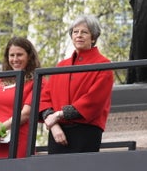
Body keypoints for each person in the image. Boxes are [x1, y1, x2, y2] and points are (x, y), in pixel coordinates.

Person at [39, 15, 114, 154]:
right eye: (75, 32)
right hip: (57, 132)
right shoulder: (61, 66)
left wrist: (58, 115)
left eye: (84, 32)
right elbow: (44, 99)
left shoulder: (103, 65)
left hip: (85, 132)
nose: (79, 35)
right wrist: (54, 125)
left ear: (93, 37)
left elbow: (93, 101)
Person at [0, 36, 41, 159]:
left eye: (19, 55)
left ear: (29, 56)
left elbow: (25, 114)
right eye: (12, 55)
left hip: (19, 142)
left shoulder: (37, 81)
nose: (15, 59)